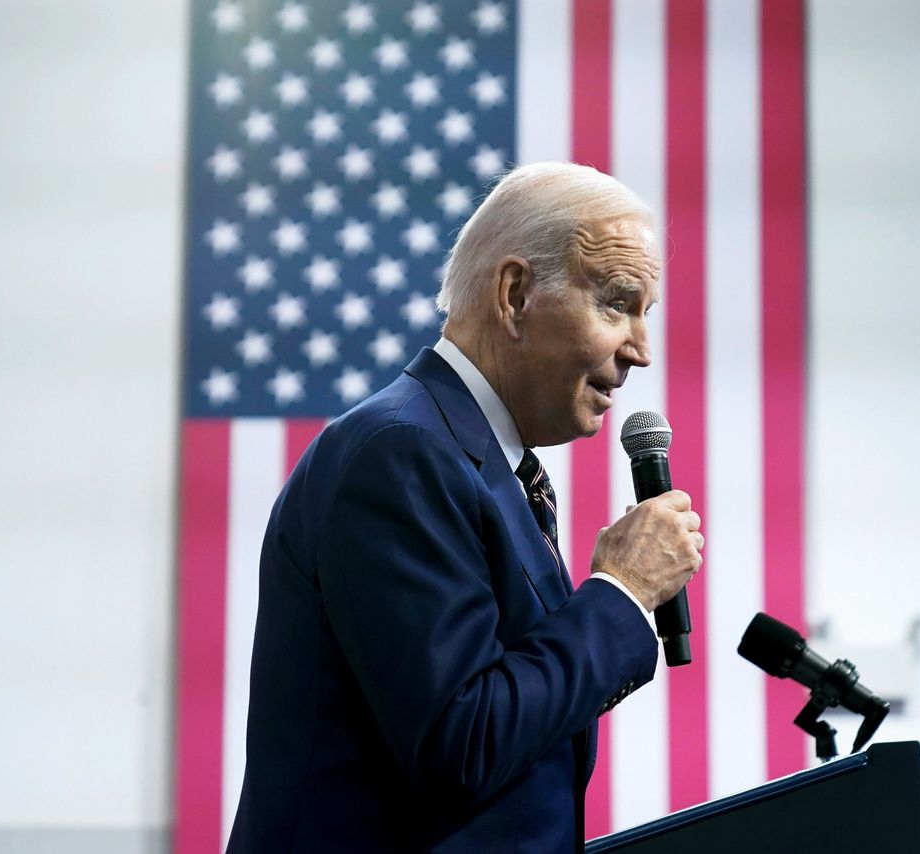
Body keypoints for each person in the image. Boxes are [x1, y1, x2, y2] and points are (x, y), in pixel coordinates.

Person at [226, 162, 704, 853]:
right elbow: (464, 742)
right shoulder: (402, 453)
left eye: (644, 314)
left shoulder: (489, 465)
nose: (641, 350)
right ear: (514, 294)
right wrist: (621, 594)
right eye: (616, 303)